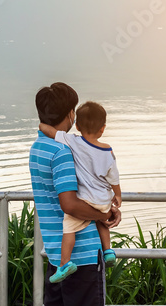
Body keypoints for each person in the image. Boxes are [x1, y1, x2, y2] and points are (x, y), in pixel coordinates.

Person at [29, 82, 121, 306]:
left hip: (58, 252)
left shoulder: (38, 147)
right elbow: (69, 203)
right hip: (82, 256)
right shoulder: (62, 151)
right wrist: (103, 214)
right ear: (70, 114)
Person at [39, 101, 121, 283]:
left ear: (76, 125)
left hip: (85, 200)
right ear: (103, 128)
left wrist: (41, 124)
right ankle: (108, 250)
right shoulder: (107, 151)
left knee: (69, 228)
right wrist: (118, 195)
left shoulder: (73, 141)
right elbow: (114, 178)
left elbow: (50, 132)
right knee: (102, 220)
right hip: (103, 199)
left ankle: (65, 263)